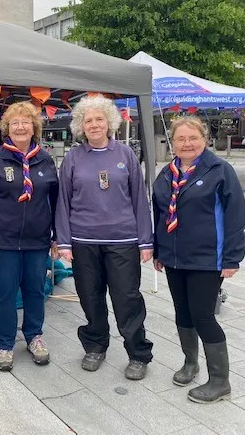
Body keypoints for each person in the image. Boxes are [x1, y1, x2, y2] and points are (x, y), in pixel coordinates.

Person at [55, 95, 154, 380]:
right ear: (80, 126)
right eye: (88, 120)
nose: (94, 124)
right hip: (83, 240)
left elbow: (139, 198)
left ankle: (138, 353)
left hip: (123, 240)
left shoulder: (125, 155)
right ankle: (96, 345)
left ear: (109, 122)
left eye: (99, 119)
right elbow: (62, 201)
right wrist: (63, 241)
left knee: (127, 299)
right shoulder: (73, 158)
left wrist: (145, 241)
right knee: (90, 298)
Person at [152, 116, 245, 404]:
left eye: (192, 138)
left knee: (203, 315)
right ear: (173, 142)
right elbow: (159, 213)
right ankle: (190, 363)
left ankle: (220, 381)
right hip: (174, 257)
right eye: (180, 139)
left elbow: (236, 216)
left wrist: (232, 257)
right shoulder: (166, 173)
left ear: (204, 139)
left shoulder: (220, 170)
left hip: (208, 258)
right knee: (182, 311)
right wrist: (159, 250)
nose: (187, 144)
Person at [0, 101, 59, 372]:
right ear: (6, 128)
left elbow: (57, 203)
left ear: (35, 127)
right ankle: (5, 343)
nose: (20, 127)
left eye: (26, 122)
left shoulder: (45, 159)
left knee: (35, 291)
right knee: (5, 293)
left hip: (38, 241)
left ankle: (34, 337)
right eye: (14, 123)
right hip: (4, 242)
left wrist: (58, 237)